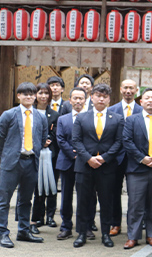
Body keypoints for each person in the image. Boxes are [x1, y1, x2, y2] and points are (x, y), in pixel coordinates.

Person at [71, 84, 124, 248]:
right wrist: (88, 158)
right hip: (84, 166)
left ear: (109, 99)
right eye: (98, 96)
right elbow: (76, 141)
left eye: (105, 96)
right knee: (83, 201)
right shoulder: (81, 117)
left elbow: (119, 142)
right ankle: (81, 233)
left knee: (106, 201)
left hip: (107, 167)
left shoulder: (117, 118)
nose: (101, 99)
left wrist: (104, 158)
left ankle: (106, 234)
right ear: (91, 97)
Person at [0, 83, 49, 248]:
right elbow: (1, 139)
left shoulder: (41, 116)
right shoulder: (8, 115)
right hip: (10, 162)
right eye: (25, 94)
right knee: (4, 200)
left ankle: (23, 230)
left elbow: (42, 139)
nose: (29, 97)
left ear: (35, 96)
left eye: (31, 94)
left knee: (26, 199)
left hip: (31, 161)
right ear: (18, 96)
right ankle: (2, 233)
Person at [122, 88, 152, 249]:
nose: (150, 100)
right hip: (137, 169)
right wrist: (141, 158)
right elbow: (127, 141)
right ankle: (133, 236)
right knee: (135, 204)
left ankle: (151, 234)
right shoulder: (132, 120)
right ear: (141, 102)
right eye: (147, 98)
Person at [108, 79, 142, 237]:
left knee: (135, 193)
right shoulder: (112, 110)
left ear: (137, 90)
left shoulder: (142, 110)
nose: (128, 90)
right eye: (126, 88)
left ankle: (134, 223)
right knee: (114, 192)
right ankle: (115, 223)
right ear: (121, 89)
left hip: (136, 157)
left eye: (131, 88)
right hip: (115, 158)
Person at [55, 88, 87, 241]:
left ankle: (84, 227)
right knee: (66, 197)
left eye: (81, 98)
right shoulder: (63, 119)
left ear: (85, 101)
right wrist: (74, 154)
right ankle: (66, 227)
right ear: (70, 100)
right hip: (67, 162)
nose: (78, 101)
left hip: (85, 163)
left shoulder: (89, 117)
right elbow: (60, 140)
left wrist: (82, 154)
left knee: (84, 196)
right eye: (75, 98)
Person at [29, 83, 59, 233]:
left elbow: (56, 133)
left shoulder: (54, 114)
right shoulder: (30, 112)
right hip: (34, 154)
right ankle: (37, 217)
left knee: (51, 185)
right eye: (40, 93)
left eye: (46, 93)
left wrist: (49, 140)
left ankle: (51, 216)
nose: (43, 96)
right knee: (37, 187)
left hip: (50, 154)